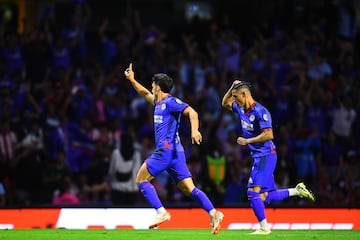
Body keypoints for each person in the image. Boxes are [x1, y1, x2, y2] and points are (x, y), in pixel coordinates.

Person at [124, 63, 224, 234]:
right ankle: (214, 213)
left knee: (141, 180)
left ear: (159, 87)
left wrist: (194, 130)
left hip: (166, 150)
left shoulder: (171, 102)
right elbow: (144, 93)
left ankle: (161, 212)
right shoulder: (158, 102)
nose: (151, 87)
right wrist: (132, 80)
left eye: (153, 84)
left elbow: (192, 112)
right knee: (189, 189)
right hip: (176, 153)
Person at [221, 80, 315, 235]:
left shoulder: (260, 112)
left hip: (266, 155)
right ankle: (297, 191)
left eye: (236, 97)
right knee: (265, 196)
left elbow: (269, 134)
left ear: (245, 95)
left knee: (252, 192)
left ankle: (264, 228)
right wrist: (232, 86)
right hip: (258, 156)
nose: (235, 101)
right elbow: (225, 103)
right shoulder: (241, 109)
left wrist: (248, 141)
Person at [108, 132, 141, 205]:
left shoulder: (116, 153)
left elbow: (111, 171)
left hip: (117, 190)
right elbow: (137, 172)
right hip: (131, 190)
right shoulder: (136, 154)